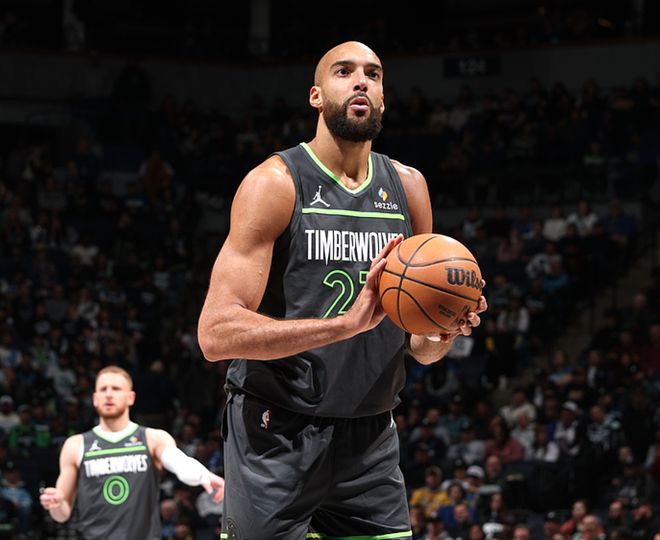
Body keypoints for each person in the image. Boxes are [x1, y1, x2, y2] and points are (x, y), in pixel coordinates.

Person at [197, 41, 487, 539]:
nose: (361, 82)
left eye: (373, 74)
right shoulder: (275, 183)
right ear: (316, 95)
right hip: (276, 432)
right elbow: (215, 334)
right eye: (344, 71)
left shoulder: (409, 187)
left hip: (370, 434)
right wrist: (344, 326)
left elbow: (419, 347)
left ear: (383, 98)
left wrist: (443, 329)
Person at [39, 365, 224, 540]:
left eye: (116, 389)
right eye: (103, 389)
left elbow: (177, 461)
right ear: (95, 398)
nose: (109, 394)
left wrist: (202, 475)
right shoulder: (75, 445)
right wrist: (56, 504)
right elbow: (62, 514)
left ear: (131, 397)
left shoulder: (153, 438)